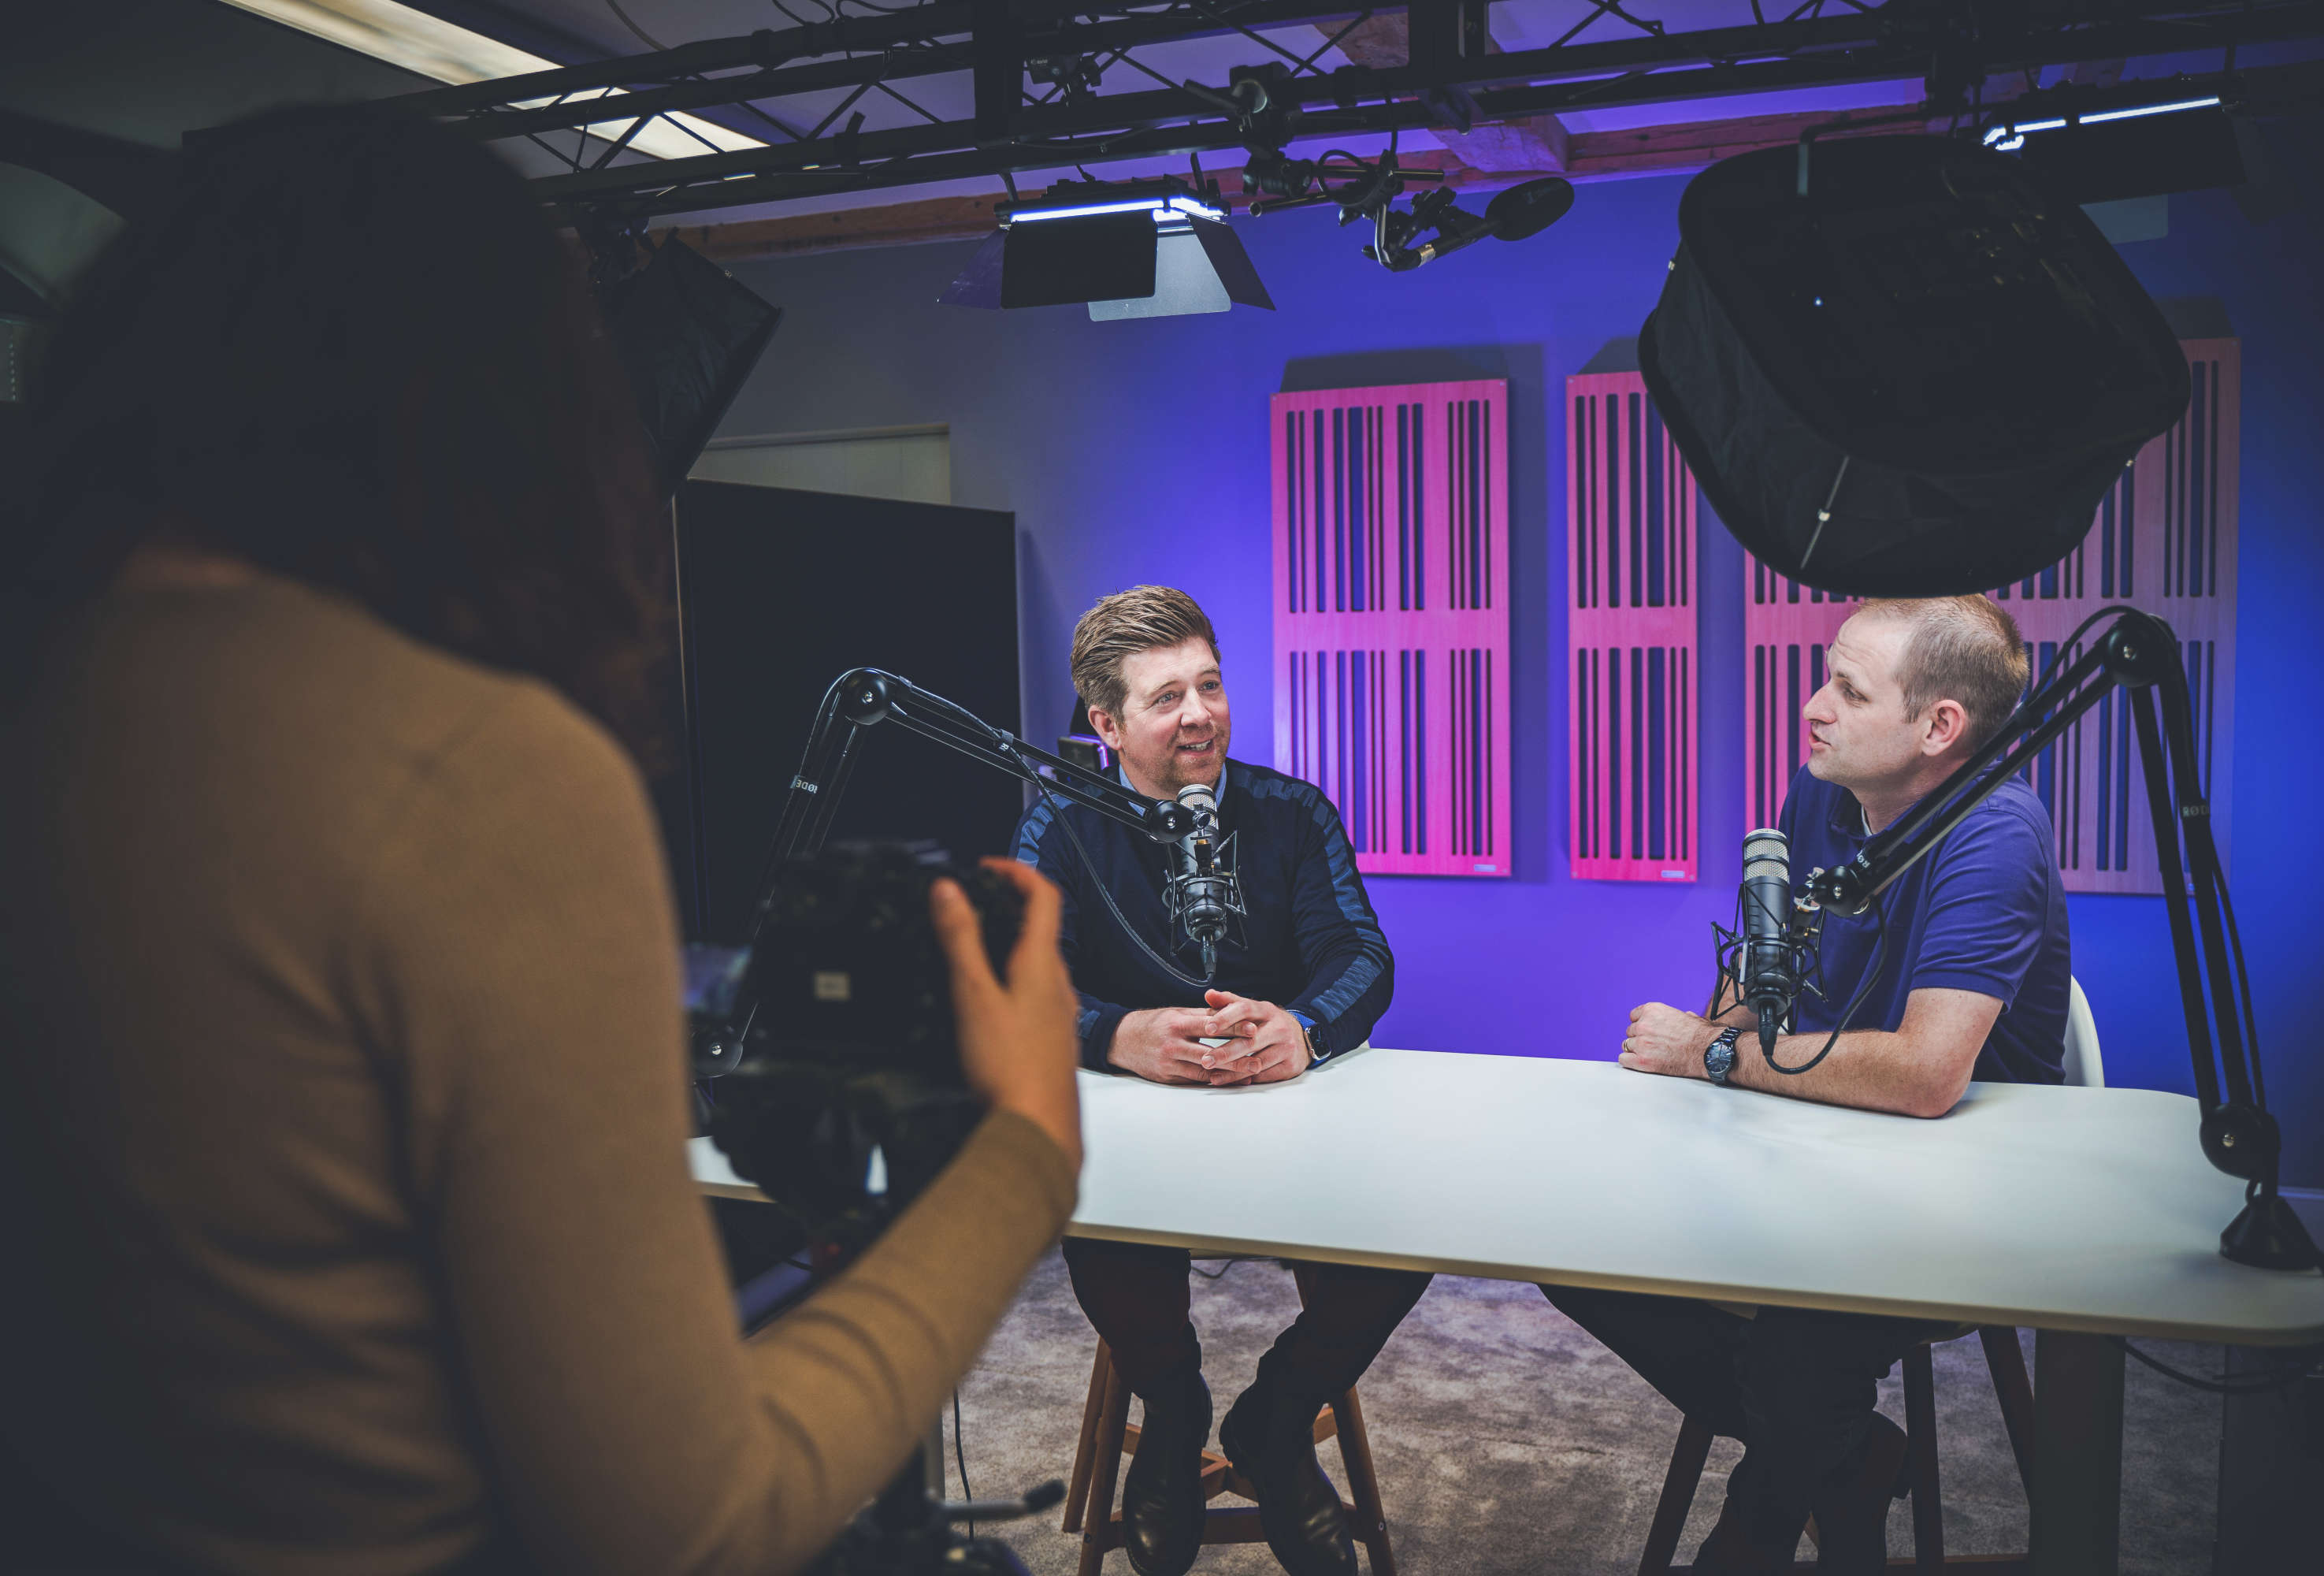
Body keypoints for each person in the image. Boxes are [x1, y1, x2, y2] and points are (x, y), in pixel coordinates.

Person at [0, 105, 1082, 1576]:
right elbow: (683, 1524)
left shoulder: (71, 687)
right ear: (526, 415)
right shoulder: (461, 769)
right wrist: (1025, 1150)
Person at [1542, 595, 2071, 1574]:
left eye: (1848, 688)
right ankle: (1847, 1456)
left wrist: (1709, 1053)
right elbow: (1764, 964)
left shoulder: (1996, 833)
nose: (1812, 706)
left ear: (1938, 727)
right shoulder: (1826, 790)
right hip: (1815, 1146)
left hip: (1961, 1196)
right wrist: (1722, 1029)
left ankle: (1762, 1519)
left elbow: (1923, 1073)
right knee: (1567, 1234)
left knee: (1800, 1328)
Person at [1012, 586, 1424, 1576]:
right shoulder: (1061, 825)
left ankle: (1274, 1421)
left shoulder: (1293, 811)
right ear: (1106, 725)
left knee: (1419, 1228)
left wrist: (1304, 1027)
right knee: (1097, 1213)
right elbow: (1017, 985)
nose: (1200, 712)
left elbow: (1363, 956)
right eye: (1167, 697)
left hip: (1292, 1120)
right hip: (1140, 1134)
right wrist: (1119, 1035)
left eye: (1210, 683)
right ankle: (1174, 1409)